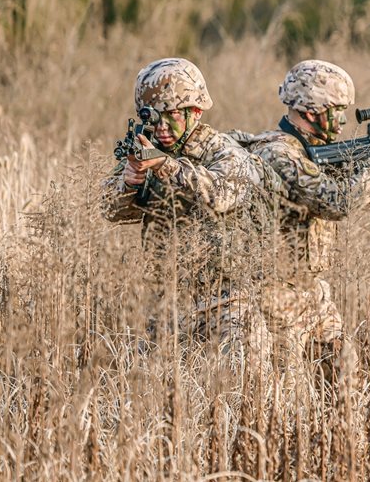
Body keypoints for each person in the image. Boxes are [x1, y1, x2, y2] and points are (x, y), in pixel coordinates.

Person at [241, 60, 370, 380]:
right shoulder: (280, 153)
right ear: (311, 110)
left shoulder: (312, 150)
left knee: (346, 377)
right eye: (337, 110)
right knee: (288, 395)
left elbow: (360, 200)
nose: (343, 120)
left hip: (313, 291)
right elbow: (337, 202)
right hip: (276, 296)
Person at [102, 57, 272, 359]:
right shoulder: (148, 147)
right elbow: (109, 209)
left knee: (240, 385)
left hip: (228, 300)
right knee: (148, 389)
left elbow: (224, 193)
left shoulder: (222, 149)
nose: (162, 127)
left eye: (172, 115)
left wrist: (166, 167)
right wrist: (130, 183)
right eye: (155, 117)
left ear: (196, 111)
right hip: (169, 302)